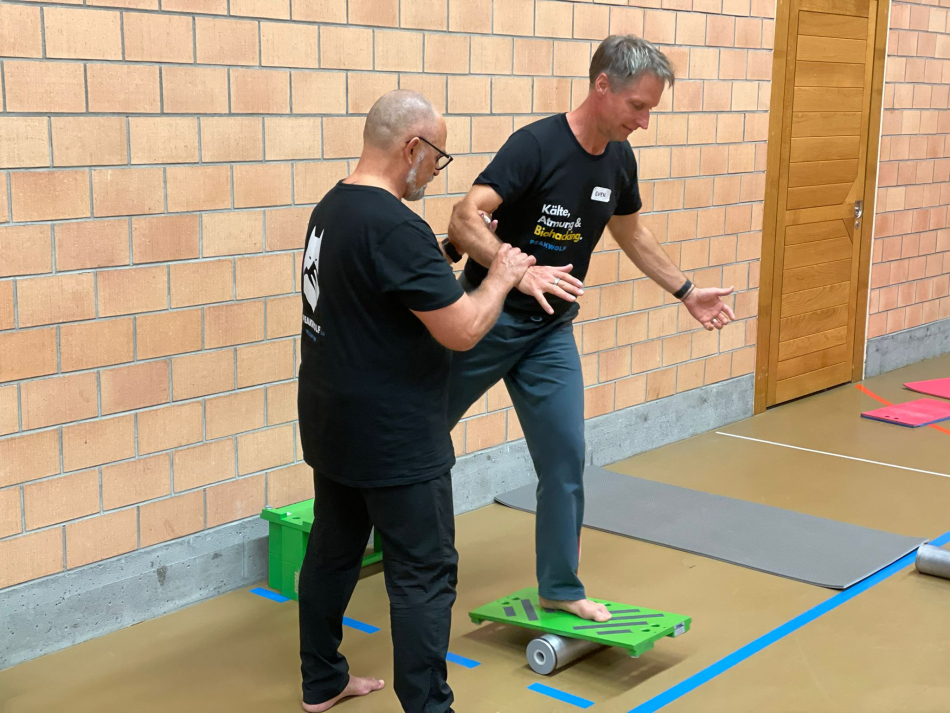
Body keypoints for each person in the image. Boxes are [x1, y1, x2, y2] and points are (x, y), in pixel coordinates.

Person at [444, 35, 736, 623]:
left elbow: (631, 232)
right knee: (413, 431)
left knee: (565, 459)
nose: (644, 122)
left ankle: (559, 584)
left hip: (549, 333)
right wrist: (516, 270)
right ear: (602, 85)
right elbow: (464, 217)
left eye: (651, 109)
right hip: (486, 319)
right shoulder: (535, 145)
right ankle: (355, 530)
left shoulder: (619, 159)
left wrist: (685, 291)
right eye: (638, 106)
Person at [295, 89, 534, 713]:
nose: (436, 170)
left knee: (334, 551)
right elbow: (462, 329)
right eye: (438, 157)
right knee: (424, 574)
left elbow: (386, 285)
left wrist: (450, 252)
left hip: (332, 423)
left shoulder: (334, 207)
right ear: (411, 148)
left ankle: (321, 680)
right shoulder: (395, 225)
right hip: (393, 437)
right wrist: (502, 276)